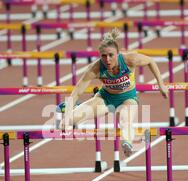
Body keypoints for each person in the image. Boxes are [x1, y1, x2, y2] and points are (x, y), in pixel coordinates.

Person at [60, 28, 168, 157]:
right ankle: (75, 109)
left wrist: (161, 85)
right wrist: (67, 116)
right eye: (104, 56)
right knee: (67, 122)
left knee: (124, 118)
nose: (107, 59)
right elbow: (78, 90)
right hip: (105, 99)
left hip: (128, 98)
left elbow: (150, 61)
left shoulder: (129, 60)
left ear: (118, 53)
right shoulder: (95, 68)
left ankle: (127, 144)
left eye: (111, 55)